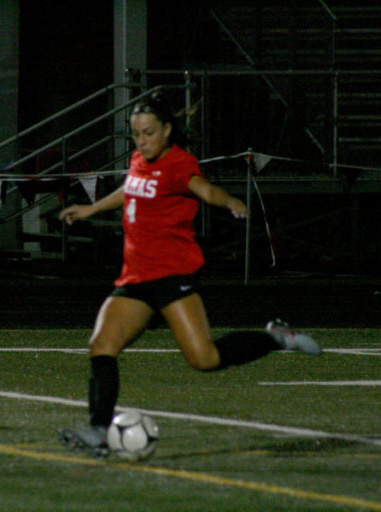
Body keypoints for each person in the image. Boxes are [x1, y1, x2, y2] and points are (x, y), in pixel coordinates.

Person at [57, 92, 321, 457]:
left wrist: (228, 200)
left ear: (167, 130)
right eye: (136, 134)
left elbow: (203, 188)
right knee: (102, 346)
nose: (142, 141)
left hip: (171, 276)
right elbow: (130, 189)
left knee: (205, 359)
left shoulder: (179, 163)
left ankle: (276, 338)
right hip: (134, 279)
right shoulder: (139, 159)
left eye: (149, 132)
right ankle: (100, 429)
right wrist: (91, 209)